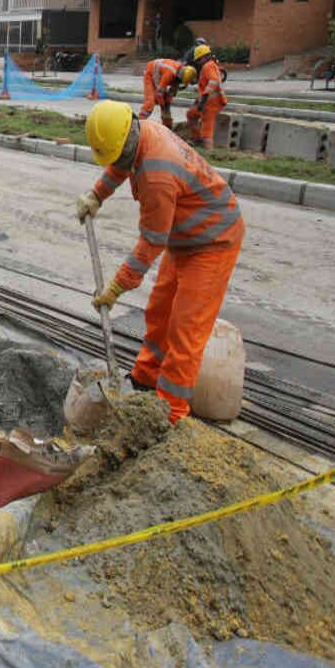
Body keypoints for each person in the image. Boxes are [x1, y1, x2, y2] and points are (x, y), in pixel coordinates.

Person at [76, 100, 244, 425]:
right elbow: (120, 165)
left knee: (185, 330)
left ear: (127, 139)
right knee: (159, 312)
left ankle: (169, 414)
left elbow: (151, 244)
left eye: (117, 154)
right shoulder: (138, 134)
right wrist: (98, 194)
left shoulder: (157, 175)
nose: (118, 161)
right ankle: (145, 379)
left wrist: (116, 288)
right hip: (185, 237)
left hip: (213, 241)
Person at [187, 45, 227, 149]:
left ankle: (209, 152)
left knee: (207, 130)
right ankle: (196, 138)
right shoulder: (211, 65)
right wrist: (199, 100)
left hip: (211, 103)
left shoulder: (207, 66)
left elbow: (214, 81)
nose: (198, 62)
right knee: (191, 114)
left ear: (204, 57)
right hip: (211, 101)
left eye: (199, 59)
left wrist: (203, 99)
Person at [140, 58, 195, 129]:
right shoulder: (170, 73)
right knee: (150, 102)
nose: (179, 83)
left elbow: (172, 91)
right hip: (150, 74)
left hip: (160, 75)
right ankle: (140, 122)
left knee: (166, 102)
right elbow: (159, 93)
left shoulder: (180, 73)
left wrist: (168, 103)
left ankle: (167, 126)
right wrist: (163, 106)